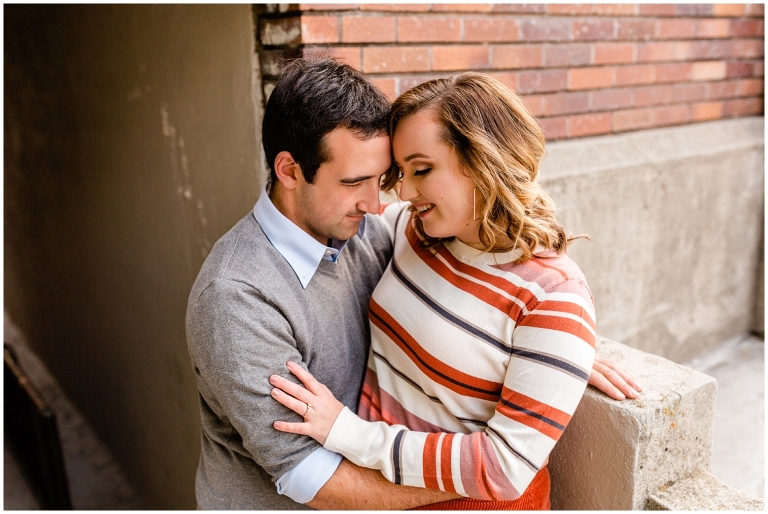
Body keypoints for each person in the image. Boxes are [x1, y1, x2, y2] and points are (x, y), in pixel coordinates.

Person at [187, 58, 641, 510]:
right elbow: (311, 476)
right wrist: (483, 476)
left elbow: (504, 279)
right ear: (289, 171)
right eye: (355, 181)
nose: (382, 200)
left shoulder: (374, 227)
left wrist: (557, 351)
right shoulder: (238, 298)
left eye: (389, 176)